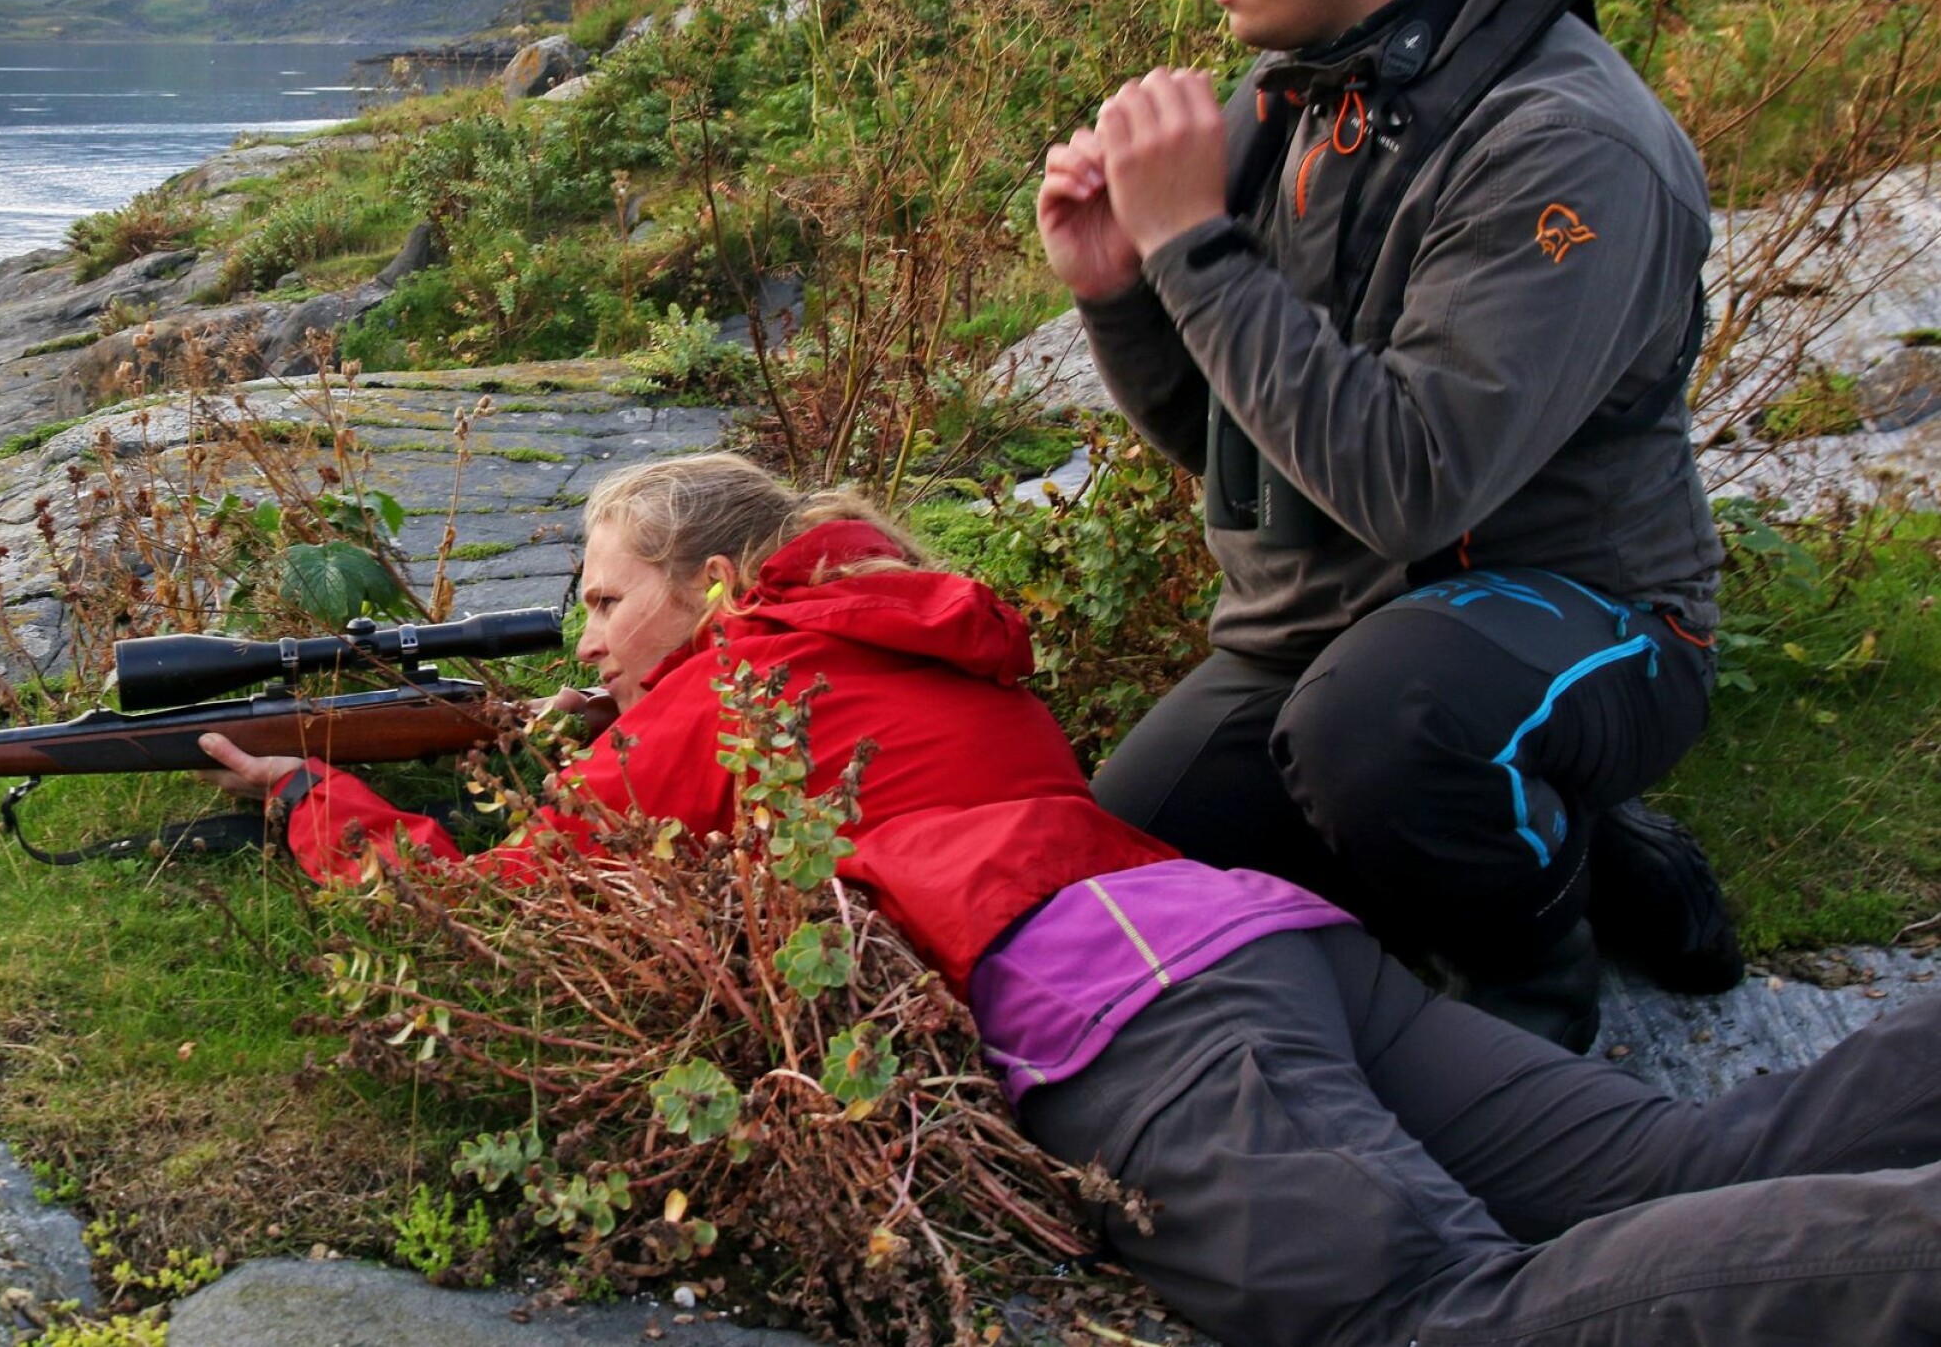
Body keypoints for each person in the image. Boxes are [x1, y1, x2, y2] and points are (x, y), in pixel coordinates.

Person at [197, 453, 1941, 1347]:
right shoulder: (894, 629)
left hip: (1124, 1012)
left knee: (1426, 1317)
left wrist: (315, 803)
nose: (584, 640)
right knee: (1686, 1156)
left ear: (715, 586)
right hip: (1256, 939)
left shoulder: (716, 702)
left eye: (600, 600)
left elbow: (491, 915)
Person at [1031, 0, 1735, 1048]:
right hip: (1339, 630)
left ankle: (1530, 1025)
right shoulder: (1292, 99)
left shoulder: (1566, 143)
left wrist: (1193, 242)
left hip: (1588, 618)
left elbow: (1412, 481)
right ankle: (1573, 842)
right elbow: (1241, 443)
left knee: (1385, 728)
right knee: (1136, 862)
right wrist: (1121, 292)